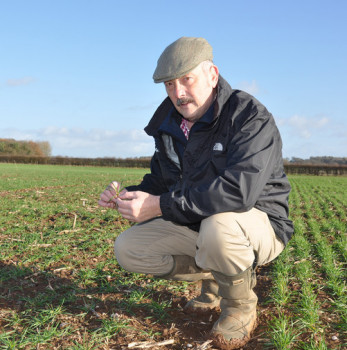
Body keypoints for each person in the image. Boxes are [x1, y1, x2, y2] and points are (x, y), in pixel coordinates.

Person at [98, 37, 294, 349]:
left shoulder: (249, 116)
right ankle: (215, 280)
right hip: (200, 224)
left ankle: (239, 308)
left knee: (220, 228)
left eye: (186, 79)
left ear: (212, 75)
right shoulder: (168, 126)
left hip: (260, 224)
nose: (178, 93)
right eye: (169, 85)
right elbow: (162, 182)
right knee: (129, 248)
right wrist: (129, 196)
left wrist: (160, 206)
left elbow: (238, 192)